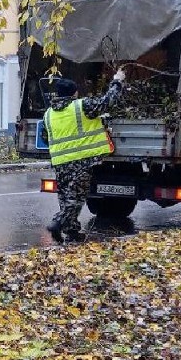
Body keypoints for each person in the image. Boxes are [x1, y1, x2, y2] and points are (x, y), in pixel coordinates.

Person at [41, 70, 125, 243]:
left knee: (65, 196)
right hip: (82, 160)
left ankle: (72, 232)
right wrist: (117, 81)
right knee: (77, 198)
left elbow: (45, 136)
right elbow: (107, 102)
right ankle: (57, 223)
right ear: (75, 93)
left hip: (60, 161)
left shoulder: (48, 113)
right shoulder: (82, 106)